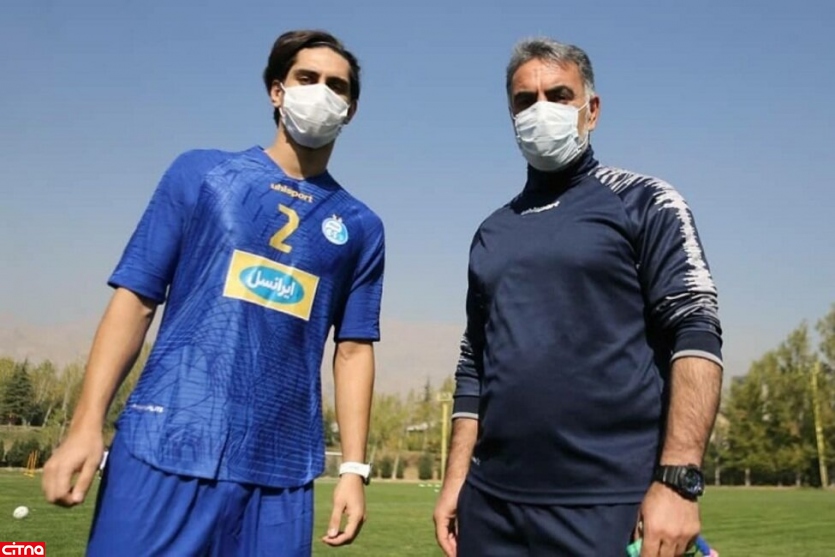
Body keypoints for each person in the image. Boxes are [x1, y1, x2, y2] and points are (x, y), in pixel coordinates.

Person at [41, 29, 384, 556]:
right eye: (306, 78)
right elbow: (136, 299)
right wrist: (86, 424)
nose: (321, 92)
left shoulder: (360, 225)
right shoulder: (202, 174)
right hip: (164, 442)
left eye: (336, 85)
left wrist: (354, 470)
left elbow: (354, 349)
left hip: (280, 468)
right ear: (277, 91)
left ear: (350, 110)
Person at [433, 37, 723, 557]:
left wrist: (679, 481)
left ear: (591, 110)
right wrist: (457, 478)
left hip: (609, 506)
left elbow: (696, 330)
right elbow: (474, 362)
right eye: (525, 100)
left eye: (559, 95)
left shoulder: (646, 201)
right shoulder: (492, 232)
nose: (540, 109)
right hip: (491, 507)